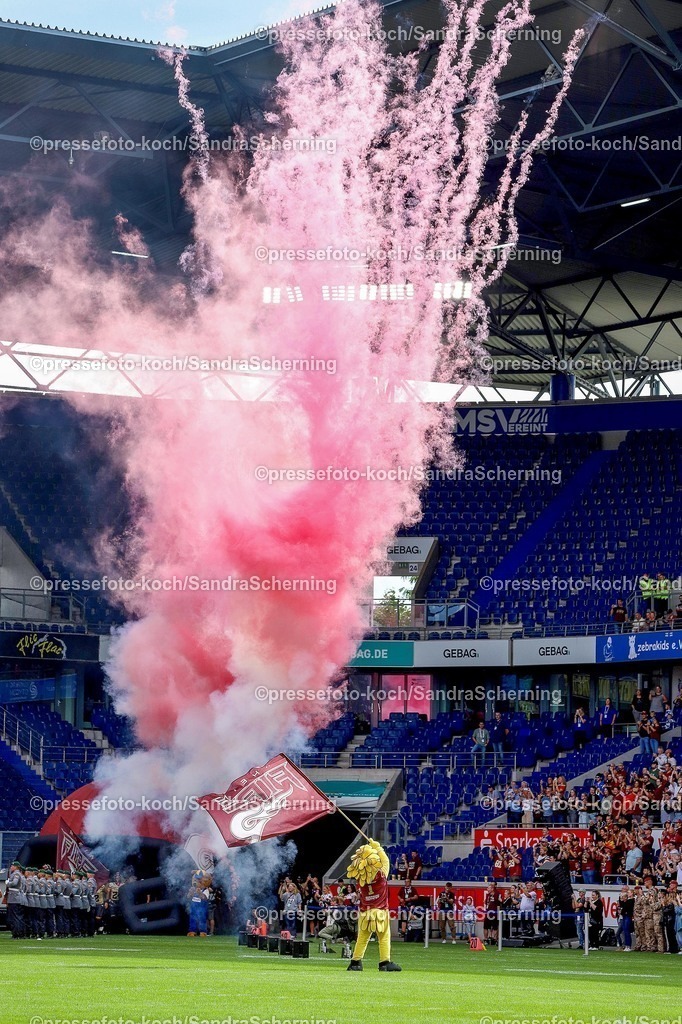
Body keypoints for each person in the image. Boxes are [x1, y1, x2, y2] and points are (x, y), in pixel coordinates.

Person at [345, 838, 401, 972]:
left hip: (365, 913)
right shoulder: (381, 876)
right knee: (384, 937)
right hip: (380, 912)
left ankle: (355, 962)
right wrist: (378, 847)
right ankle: (384, 962)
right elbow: (386, 861)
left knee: (362, 938)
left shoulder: (360, 880)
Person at [5, 862, 25, 939]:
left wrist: (7, 883)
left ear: (16, 867)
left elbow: (14, 883)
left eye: (12, 866)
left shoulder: (16, 874)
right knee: (17, 916)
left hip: (14, 897)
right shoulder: (17, 874)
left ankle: (16, 933)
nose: (11, 867)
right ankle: (18, 932)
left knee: (15, 917)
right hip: (15, 896)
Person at [616, 886, 634, 951]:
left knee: (627, 931)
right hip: (624, 916)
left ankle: (628, 945)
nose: (627, 893)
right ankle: (626, 945)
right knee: (625, 931)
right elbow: (622, 906)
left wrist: (622, 901)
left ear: (632, 893)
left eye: (628, 892)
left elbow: (625, 907)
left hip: (628, 916)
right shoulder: (628, 901)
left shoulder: (631, 900)